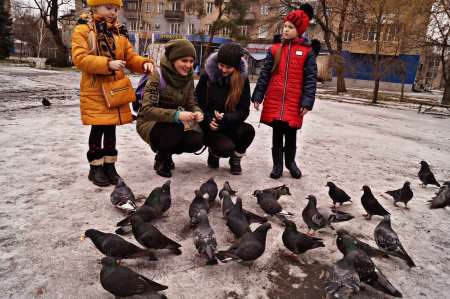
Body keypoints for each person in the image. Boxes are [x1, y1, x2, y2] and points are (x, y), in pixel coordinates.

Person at [71, 0, 154, 187]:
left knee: (111, 129)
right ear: (95, 7)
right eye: (109, 8)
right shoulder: (85, 29)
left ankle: (110, 166)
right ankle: (95, 168)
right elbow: (80, 58)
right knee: (98, 127)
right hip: (95, 89)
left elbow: (130, 57)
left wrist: (143, 63)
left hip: (115, 88)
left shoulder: (119, 32)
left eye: (116, 9)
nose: (114, 12)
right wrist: (107, 64)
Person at [251, 5, 317, 179]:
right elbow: (265, 74)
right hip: (275, 99)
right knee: (277, 133)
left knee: (291, 133)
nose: (286, 30)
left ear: (300, 30)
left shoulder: (307, 52)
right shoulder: (274, 49)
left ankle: (290, 162)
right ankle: (278, 165)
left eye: (291, 27)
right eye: (285, 26)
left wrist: (307, 101)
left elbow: (310, 78)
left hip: (294, 101)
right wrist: (258, 95)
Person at [136, 39, 204, 178]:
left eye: (191, 61)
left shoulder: (188, 78)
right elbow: (147, 109)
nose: (188, 65)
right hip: (150, 122)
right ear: (173, 60)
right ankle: (162, 157)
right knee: (174, 131)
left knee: (196, 140)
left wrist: (198, 112)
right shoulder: (157, 76)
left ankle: (166, 152)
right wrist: (177, 115)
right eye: (184, 61)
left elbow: (192, 102)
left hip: (175, 123)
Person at [195, 43, 255, 175]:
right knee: (225, 148)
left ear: (236, 67)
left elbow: (244, 110)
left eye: (228, 67)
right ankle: (214, 153)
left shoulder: (242, 80)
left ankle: (236, 159)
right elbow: (196, 102)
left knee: (248, 131)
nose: (223, 70)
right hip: (209, 125)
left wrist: (226, 117)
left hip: (229, 123)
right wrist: (208, 119)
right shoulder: (207, 76)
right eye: (221, 65)